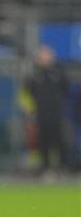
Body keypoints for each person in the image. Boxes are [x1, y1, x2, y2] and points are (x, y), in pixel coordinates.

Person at [26, 45, 70, 175]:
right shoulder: (35, 74)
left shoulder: (58, 72)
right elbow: (30, 91)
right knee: (43, 142)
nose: (45, 58)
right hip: (41, 114)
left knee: (60, 141)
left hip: (56, 114)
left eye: (47, 55)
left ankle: (62, 167)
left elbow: (66, 88)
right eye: (42, 55)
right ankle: (45, 168)